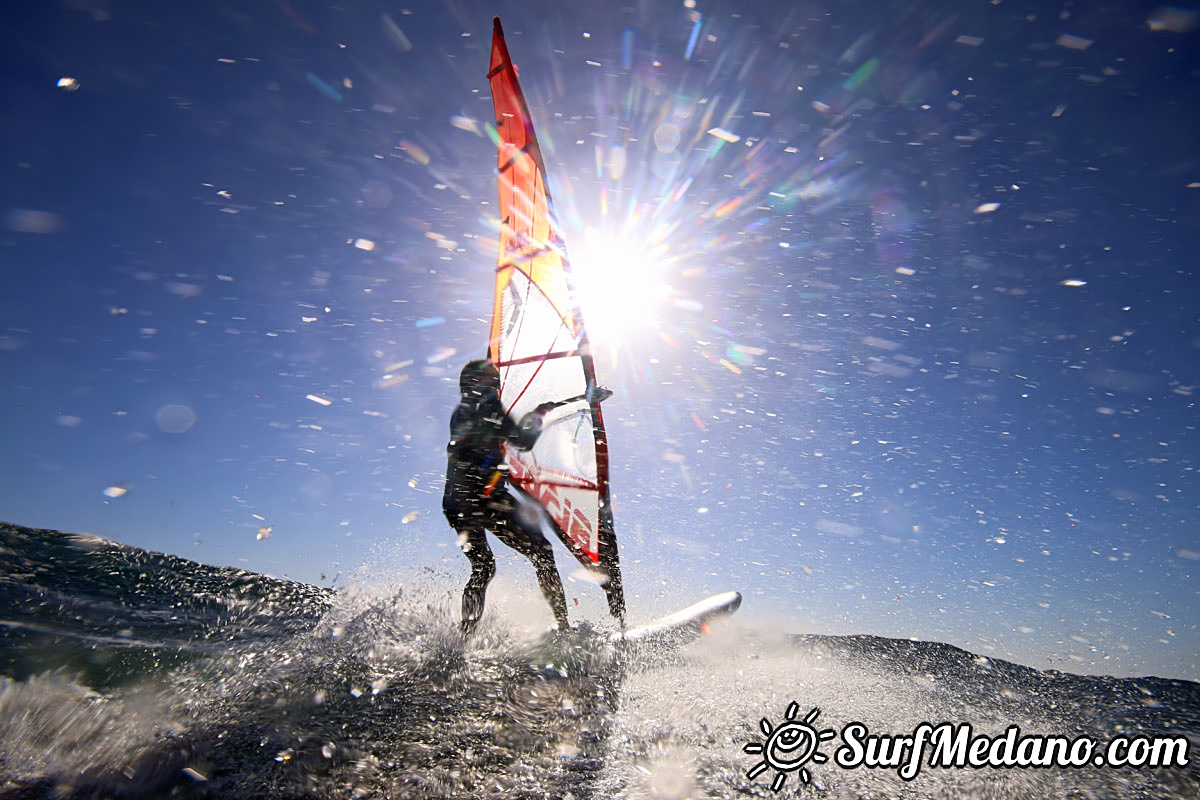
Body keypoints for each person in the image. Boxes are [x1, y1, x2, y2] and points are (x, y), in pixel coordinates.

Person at [443, 358, 569, 634]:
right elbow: (522, 441)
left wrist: (534, 414)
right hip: (482, 498)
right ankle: (564, 629)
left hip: (456, 501)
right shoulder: (485, 406)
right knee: (542, 552)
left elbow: (505, 435)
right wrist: (539, 414)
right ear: (477, 384)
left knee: (483, 567)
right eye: (491, 382)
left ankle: (463, 638)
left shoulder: (463, 410)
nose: (495, 388)